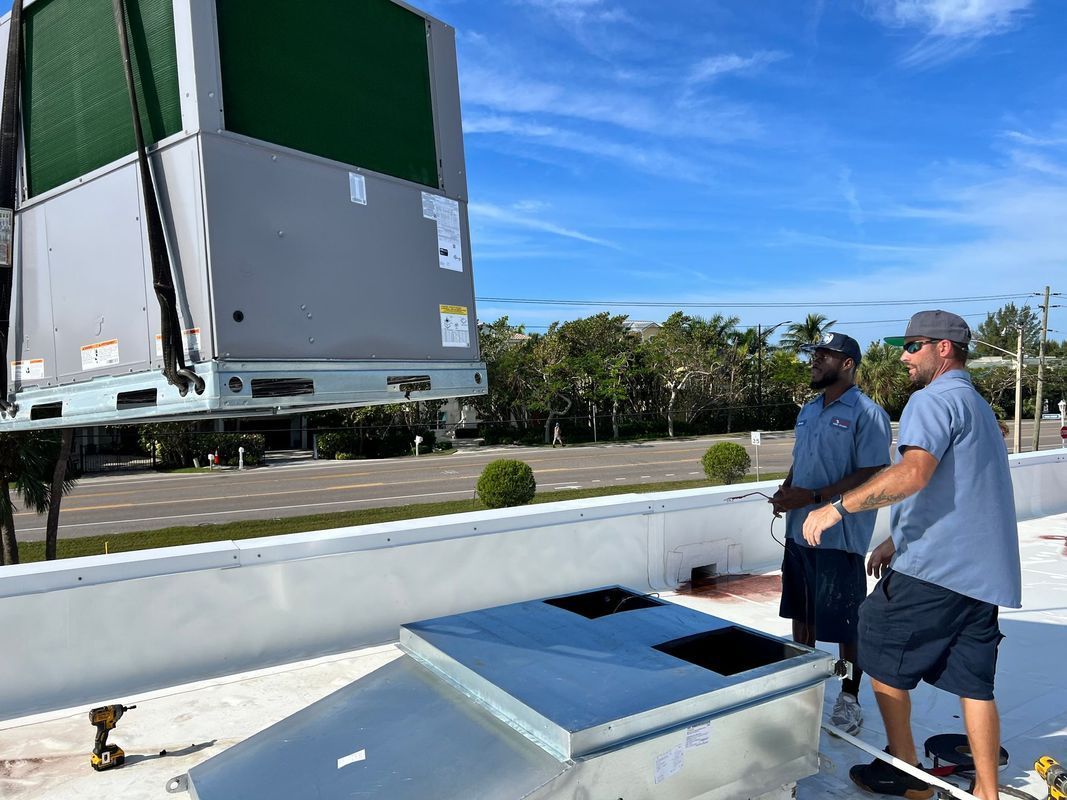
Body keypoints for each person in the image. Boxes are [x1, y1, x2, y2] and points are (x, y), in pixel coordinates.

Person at [802, 310, 1022, 800]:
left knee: (873, 636)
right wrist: (895, 540)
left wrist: (837, 509)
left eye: (913, 345)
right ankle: (988, 792)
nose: (904, 356)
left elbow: (914, 474)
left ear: (943, 349)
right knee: (976, 686)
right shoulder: (978, 406)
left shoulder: (931, 400)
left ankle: (909, 774)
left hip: (939, 570)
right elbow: (957, 492)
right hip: (984, 574)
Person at [770, 331, 891, 736]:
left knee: (845, 621)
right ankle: (802, 689)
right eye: (815, 354)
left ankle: (850, 697)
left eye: (825, 355)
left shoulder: (866, 413)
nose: (815, 360)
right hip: (798, 531)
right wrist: (787, 491)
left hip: (839, 535)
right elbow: (799, 460)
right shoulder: (808, 409)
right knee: (801, 613)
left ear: (848, 364)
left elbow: (872, 473)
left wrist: (817, 496)